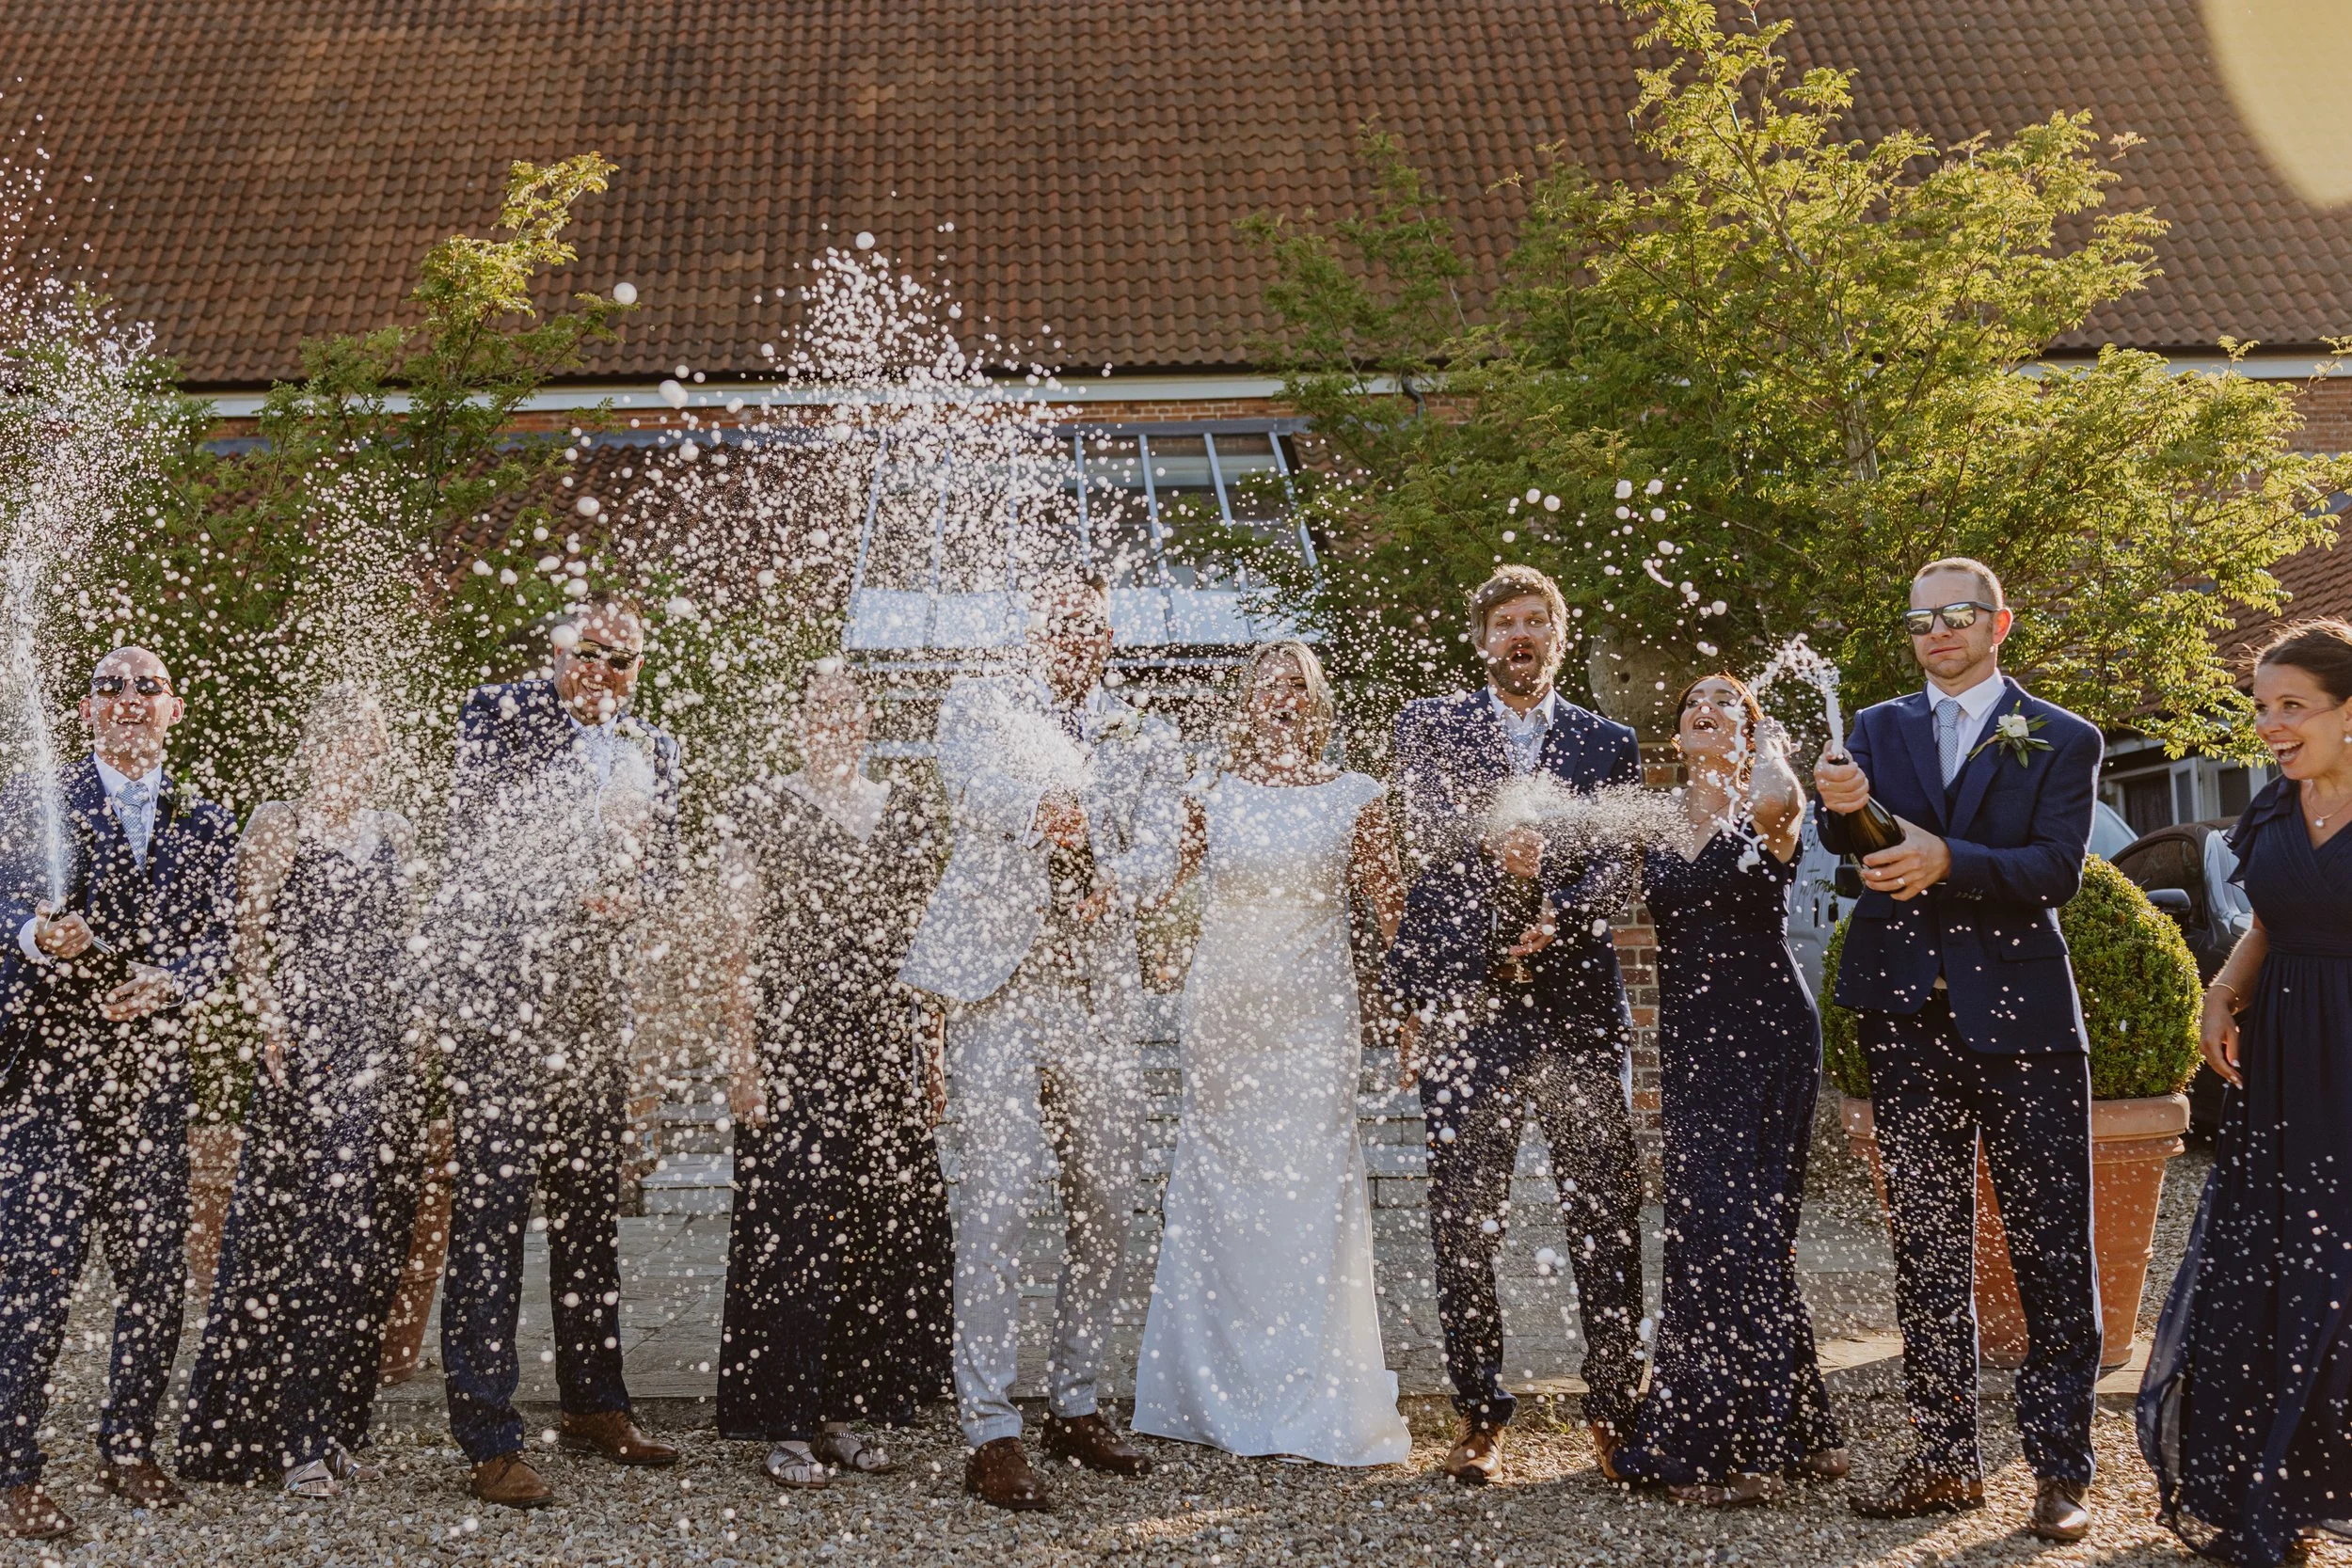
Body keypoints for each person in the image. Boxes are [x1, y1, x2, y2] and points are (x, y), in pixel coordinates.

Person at [1814, 557, 2102, 1543]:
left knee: (2050, 1248)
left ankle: (2061, 1469)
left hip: (2022, 1024)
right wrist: (1839, 797)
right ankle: (1944, 1457)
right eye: (1921, 618)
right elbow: (1848, 839)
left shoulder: (2062, 735)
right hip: (1903, 1020)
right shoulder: (1875, 727)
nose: (1937, 631)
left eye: (1957, 614)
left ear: (1998, 622)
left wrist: (1949, 858)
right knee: (1927, 1249)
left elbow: (2055, 868)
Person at [898, 568, 1187, 1511]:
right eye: (1061, 619)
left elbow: (1162, 843)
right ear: (1034, 625)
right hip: (998, 984)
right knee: (997, 1199)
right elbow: (969, 786)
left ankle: (1073, 1397)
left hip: (1096, 992)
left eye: (1091, 623)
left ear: (1109, 634)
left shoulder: (1144, 726)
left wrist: (1123, 882)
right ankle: (988, 1424)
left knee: (1106, 1200)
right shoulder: (981, 700)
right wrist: (1039, 812)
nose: (1076, 634)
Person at [1381, 564, 1648, 1487]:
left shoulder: (1605, 742)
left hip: (1576, 1008)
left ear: (1560, 636)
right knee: (1463, 1218)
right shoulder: (1431, 724)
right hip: (1470, 1007)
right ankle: (1478, 1410)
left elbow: (1620, 870)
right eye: (1505, 622)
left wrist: (1561, 916)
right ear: (1483, 639)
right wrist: (1492, 861)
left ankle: (1614, 1407)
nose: (1521, 635)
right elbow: (1419, 832)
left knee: (1604, 1212)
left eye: (1537, 620)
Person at [423, 598, 683, 1509]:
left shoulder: (655, 747)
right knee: (491, 1219)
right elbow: (477, 846)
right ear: (561, 649)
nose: (605, 674)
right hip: (505, 1005)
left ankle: (594, 1402)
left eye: (625, 662)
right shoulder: (496, 716)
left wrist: (636, 890)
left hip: (595, 1010)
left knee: (587, 1215)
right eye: (592, 653)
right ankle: (489, 1436)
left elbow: (668, 863)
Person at [1132, 641, 1412, 1466]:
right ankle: (1209, 1390)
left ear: (1317, 703)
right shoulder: (1208, 795)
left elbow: (1392, 915)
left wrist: (1413, 1014)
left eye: (1296, 686)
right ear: (1247, 703)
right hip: (1222, 1023)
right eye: (1267, 687)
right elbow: (1157, 888)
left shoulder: (1355, 798)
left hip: (1314, 1022)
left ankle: (1315, 1385)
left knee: (1310, 1184)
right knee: (1222, 1187)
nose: (1281, 699)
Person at [0, 646, 237, 1540]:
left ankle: (129, 1444)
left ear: (174, 709)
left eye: (147, 686)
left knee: (151, 1276)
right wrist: (34, 934)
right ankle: (14, 1466)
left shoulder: (208, 820)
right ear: (89, 709)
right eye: (109, 686)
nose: (128, 698)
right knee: (36, 1275)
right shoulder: (33, 798)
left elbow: (221, 940)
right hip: (49, 1076)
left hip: (149, 1082)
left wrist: (172, 983)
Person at [2138, 619, 2352, 1567]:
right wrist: (2221, 991)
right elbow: (2269, 919)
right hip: (2280, 1057)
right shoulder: (2272, 807)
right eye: (2261, 706)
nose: (2269, 723)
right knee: (2270, 1264)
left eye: (2291, 705)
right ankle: (2271, 1489)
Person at [177, 682, 425, 1497]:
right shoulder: (279, 823)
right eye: (358, 732)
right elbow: (248, 945)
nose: (370, 748)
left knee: (367, 1247)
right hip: (309, 1054)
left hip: (383, 1056)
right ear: (324, 741)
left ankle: (340, 1424)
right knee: (304, 1247)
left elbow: (409, 947)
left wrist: (419, 1028)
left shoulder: (394, 831)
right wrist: (270, 1020)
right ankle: (291, 1437)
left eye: (377, 735)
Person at [1605, 674, 1845, 1504]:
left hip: (1768, 1026)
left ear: (1748, 727)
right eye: (1691, 705)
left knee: (1737, 1224)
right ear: (1673, 735)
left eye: (1725, 703)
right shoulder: (1658, 820)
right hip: (1693, 1038)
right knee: (1722, 1224)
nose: (1703, 709)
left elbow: (1782, 788)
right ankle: (1806, 1428)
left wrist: (1766, 742)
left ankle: (1730, 1448)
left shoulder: (1769, 805)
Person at [715, 660, 953, 1490]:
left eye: (847, 705)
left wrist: (932, 1046)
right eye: (818, 704)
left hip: (882, 1044)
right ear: (796, 718)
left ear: (867, 717)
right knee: (794, 1230)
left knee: (874, 1229)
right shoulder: (758, 807)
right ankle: (784, 1421)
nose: (833, 718)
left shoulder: (906, 810)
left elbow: (927, 947)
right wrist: (743, 1058)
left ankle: (846, 1408)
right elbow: (734, 941)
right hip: (793, 1044)